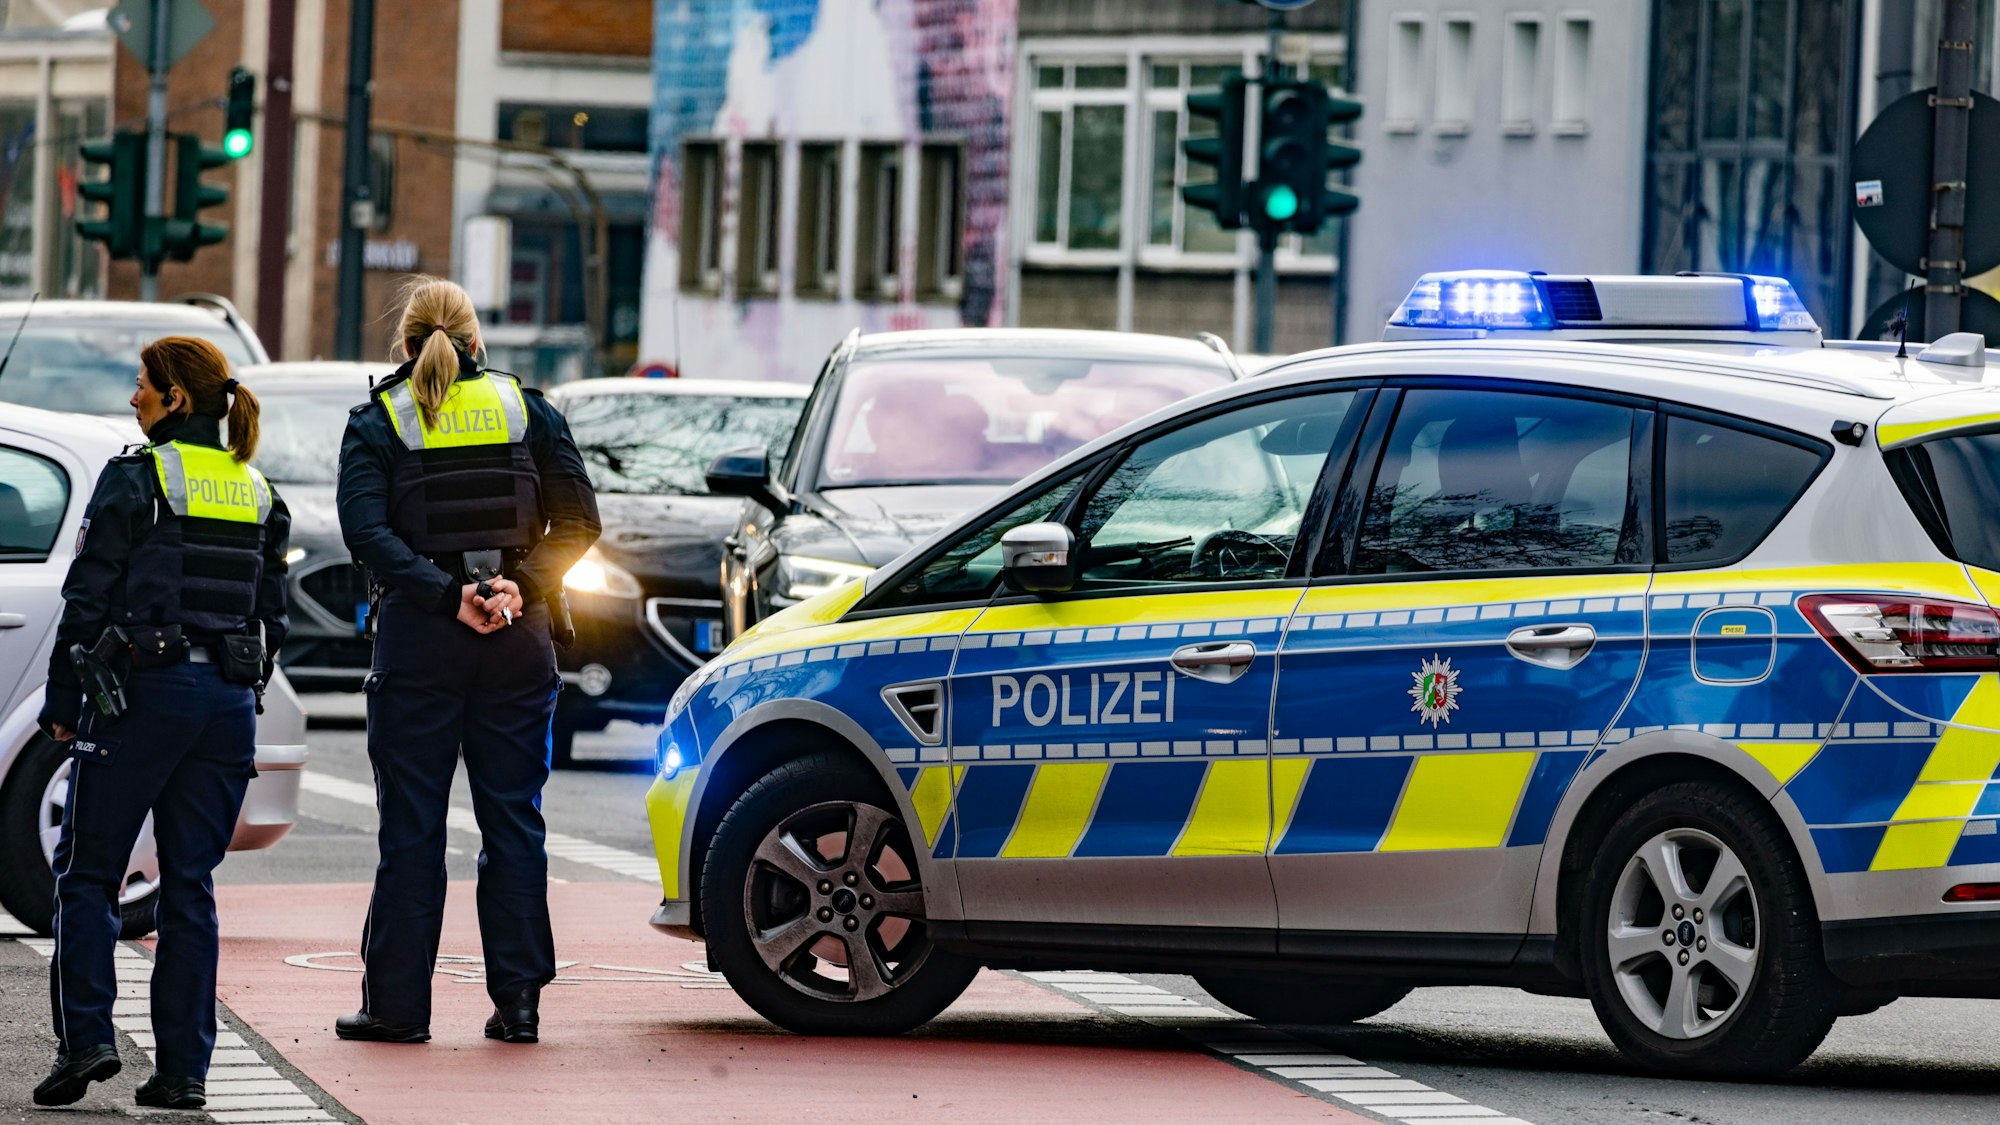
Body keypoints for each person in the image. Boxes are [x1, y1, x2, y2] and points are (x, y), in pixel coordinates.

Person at [334, 276, 599, 1045]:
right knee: (513, 822)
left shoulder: (381, 419)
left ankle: (398, 1008)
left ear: (406, 344)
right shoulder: (528, 410)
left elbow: (365, 531)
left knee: (411, 828)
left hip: (421, 640)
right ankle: (518, 1005)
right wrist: (517, 586)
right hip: (517, 638)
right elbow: (580, 520)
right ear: (478, 341)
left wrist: (445, 593)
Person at [34, 337, 290, 1109]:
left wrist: (60, 703)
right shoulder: (255, 488)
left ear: (176, 397)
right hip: (224, 709)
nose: (133, 398)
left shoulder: (136, 478)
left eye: (142, 385)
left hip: (143, 696)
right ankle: (182, 1072)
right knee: (190, 885)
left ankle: (88, 1041)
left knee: (88, 872)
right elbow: (272, 618)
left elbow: (86, 600)